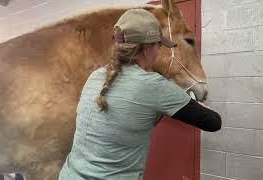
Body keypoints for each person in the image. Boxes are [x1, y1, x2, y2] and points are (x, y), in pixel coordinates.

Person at [58, 8, 221, 180]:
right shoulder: (154, 86)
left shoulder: (95, 76)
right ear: (147, 48)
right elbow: (213, 122)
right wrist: (189, 105)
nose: (159, 50)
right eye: (158, 45)